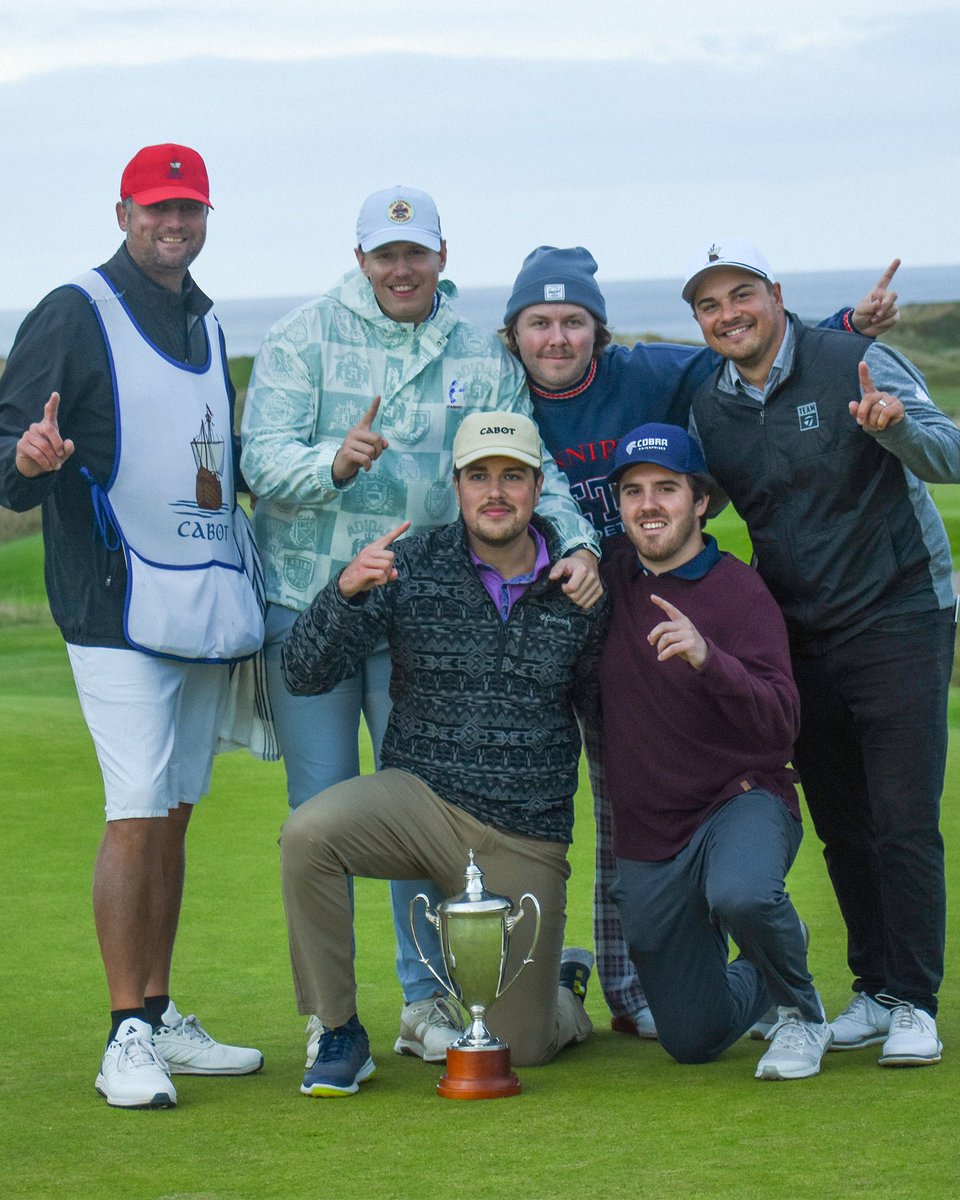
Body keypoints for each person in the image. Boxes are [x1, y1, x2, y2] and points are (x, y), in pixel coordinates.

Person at [499, 244, 901, 1039]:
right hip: (559, 607)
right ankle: (534, 977)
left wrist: (848, 325)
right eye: (539, 323)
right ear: (513, 335)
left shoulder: (649, 373)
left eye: (574, 321)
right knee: (537, 800)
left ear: (598, 332)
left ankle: (633, 988)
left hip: (640, 602)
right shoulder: (498, 387)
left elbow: (750, 354)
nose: (556, 338)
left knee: (629, 796)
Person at [240, 187, 601, 1065]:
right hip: (317, 594)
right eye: (385, 255)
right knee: (322, 810)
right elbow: (259, 459)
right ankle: (333, 1025)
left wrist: (581, 539)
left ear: (441, 255)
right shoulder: (301, 336)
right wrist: (330, 461)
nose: (402, 269)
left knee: (418, 792)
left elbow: (530, 466)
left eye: (417, 253)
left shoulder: (480, 351)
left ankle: (430, 1000)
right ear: (361, 258)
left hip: (426, 609)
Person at [0, 144, 264, 1109]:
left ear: (205, 214)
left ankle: (158, 1012)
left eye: (189, 208)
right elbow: (5, 453)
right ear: (122, 213)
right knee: (137, 808)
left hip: (198, 598)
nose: (174, 225)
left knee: (178, 810)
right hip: (112, 606)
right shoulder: (76, 310)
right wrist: (28, 456)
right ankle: (123, 1037)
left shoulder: (205, 313)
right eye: (157, 209)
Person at [683, 237, 960, 1067]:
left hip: (899, 611)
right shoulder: (712, 408)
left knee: (904, 818)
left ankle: (915, 1000)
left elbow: (951, 455)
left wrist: (898, 428)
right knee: (844, 824)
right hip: (797, 632)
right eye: (709, 304)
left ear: (774, 294)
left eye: (740, 295)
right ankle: (874, 990)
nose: (727, 314)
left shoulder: (857, 361)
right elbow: (707, 507)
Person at [277, 412, 606, 1096]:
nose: (495, 492)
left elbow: (613, 717)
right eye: (478, 476)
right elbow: (302, 673)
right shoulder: (411, 566)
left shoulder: (580, 589)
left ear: (537, 487)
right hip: (419, 805)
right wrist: (342, 593)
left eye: (512, 476)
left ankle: (560, 992)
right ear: (455, 486)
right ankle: (337, 1027)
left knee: (526, 1047)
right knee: (307, 834)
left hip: (525, 833)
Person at [595, 422, 831, 1079]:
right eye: (634, 490)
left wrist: (710, 659)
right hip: (652, 835)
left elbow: (783, 724)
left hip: (742, 801)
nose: (649, 504)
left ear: (700, 501)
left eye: (667, 489)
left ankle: (802, 1014)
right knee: (692, 1040)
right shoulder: (610, 575)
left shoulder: (737, 591)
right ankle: (767, 961)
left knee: (743, 894)